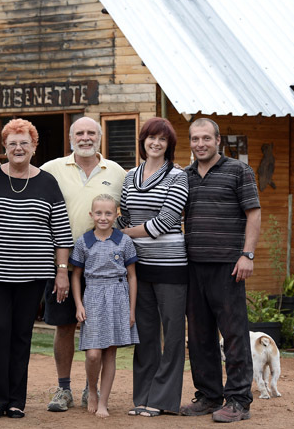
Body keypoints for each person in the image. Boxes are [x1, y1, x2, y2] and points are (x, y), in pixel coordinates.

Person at [0, 116, 126, 412]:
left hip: (97, 269)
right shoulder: (50, 169)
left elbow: (126, 209)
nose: (85, 138)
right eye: (79, 133)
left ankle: (88, 390)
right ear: (71, 138)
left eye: (91, 133)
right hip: (41, 267)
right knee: (58, 326)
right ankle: (60, 390)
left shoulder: (116, 171)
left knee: (91, 330)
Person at [0, 118, 74, 420]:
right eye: (12, 143)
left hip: (33, 274)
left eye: (24, 143)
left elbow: (62, 232)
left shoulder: (47, 182)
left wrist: (61, 271)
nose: (18, 148)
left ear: (34, 147)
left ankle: (16, 400)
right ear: (4, 148)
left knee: (21, 334)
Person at [180, 117, 261, 423]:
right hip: (192, 265)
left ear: (217, 140)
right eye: (195, 139)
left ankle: (239, 400)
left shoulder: (238, 170)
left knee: (234, 334)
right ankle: (209, 396)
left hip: (229, 266)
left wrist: (247, 254)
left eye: (206, 138)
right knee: (199, 336)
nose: (200, 144)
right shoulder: (184, 175)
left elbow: (253, 213)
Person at [116, 117, 189, 417]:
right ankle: (142, 397)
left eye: (162, 139)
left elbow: (165, 223)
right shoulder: (130, 175)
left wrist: (126, 232)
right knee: (145, 335)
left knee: (172, 334)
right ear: (143, 141)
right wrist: (113, 229)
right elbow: (124, 215)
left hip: (171, 265)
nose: (155, 143)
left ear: (169, 144)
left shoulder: (178, 176)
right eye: (150, 137)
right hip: (138, 267)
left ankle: (163, 401)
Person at [70, 193, 139, 418]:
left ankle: (104, 402)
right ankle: (92, 390)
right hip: (93, 297)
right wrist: (79, 304)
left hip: (118, 297)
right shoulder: (83, 241)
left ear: (115, 214)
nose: (103, 217)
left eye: (108, 213)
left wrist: (131, 310)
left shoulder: (124, 241)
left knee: (110, 353)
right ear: (91, 214)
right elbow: (76, 276)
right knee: (93, 354)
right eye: (98, 213)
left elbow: (132, 277)